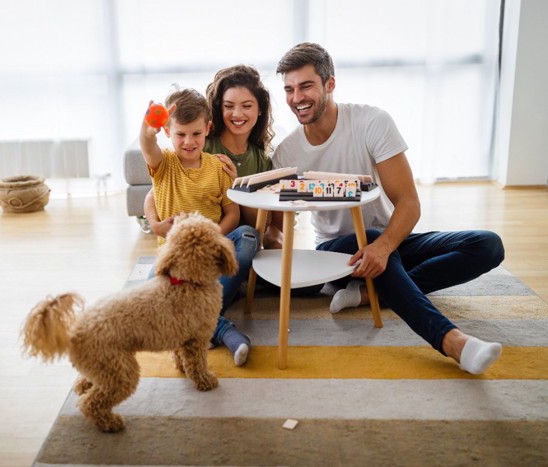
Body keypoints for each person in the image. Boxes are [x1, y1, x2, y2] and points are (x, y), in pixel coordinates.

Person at [270, 42, 505, 375]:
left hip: (388, 242)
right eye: (289, 89)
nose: (297, 98)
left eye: (306, 86)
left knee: (487, 245)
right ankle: (453, 341)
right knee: (374, 236)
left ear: (330, 84)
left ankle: (370, 296)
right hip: (339, 255)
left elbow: (409, 202)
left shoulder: (371, 122)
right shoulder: (287, 152)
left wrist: (382, 248)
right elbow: (277, 225)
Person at [139, 87, 258, 366]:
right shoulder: (163, 164)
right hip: (174, 263)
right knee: (149, 304)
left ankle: (197, 309)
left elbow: (233, 213)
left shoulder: (218, 167)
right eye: (181, 134)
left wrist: (210, 236)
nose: (189, 142)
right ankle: (223, 329)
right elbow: (147, 145)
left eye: (196, 134)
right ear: (168, 132)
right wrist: (147, 130)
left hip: (212, 255)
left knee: (249, 237)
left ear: (207, 129)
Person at [145, 65, 281, 247]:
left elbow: (262, 225)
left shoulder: (261, 160)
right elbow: (155, 192)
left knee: (249, 237)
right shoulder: (200, 146)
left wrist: (239, 186)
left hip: (229, 240)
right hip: (180, 238)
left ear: (260, 109)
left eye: (247, 106)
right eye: (228, 106)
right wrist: (154, 225)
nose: (238, 113)